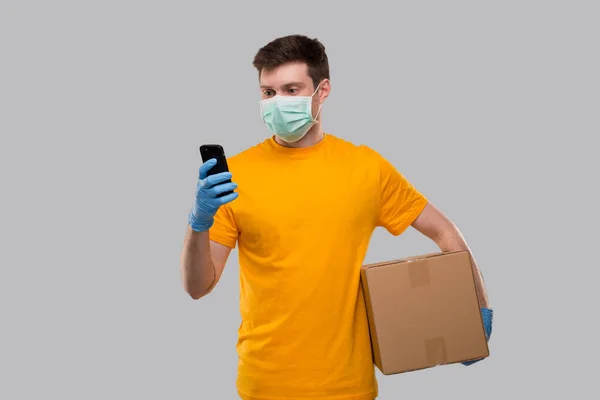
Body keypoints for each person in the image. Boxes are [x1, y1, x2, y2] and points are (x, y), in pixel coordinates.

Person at [180, 34, 493, 400]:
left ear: (322, 90)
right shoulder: (234, 177)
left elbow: (444, 231)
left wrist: (477, 309)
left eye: (291, 89)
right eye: (268, 93)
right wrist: (198, 224)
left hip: (348, 387)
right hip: (264, 385)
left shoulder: (365, 168)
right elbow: (198, 287)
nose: (278, 103)